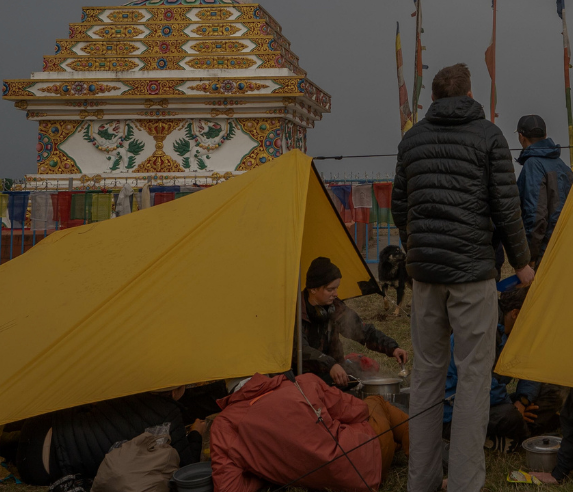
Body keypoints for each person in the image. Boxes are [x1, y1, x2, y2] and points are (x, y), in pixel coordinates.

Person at [392, 63, 533, 492]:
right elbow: (506, 209)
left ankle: (422, 481)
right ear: (469, 94)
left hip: (425, 276)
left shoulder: (412, 139)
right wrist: (522, 263)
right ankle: (465, 484)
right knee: (473, 377)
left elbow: (400, 206)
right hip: (473, 272)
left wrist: (417, 246)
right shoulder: (490, 137)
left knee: (427, 374)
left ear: (433, 98)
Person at [208, 372, 412, 492]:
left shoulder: (223, 425)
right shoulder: (303, 382)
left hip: (333, 484)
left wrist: (266, 468)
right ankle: (419, 454)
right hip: (369, 457)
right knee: (375, 403)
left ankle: (400, 444)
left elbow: (229, 488)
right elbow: (359, 411)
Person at [444, 286, 562, 447]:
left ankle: (510, 435)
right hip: (457, 411)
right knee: (509, 415)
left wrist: (522, 401)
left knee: (552, 392)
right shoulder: (482, 332)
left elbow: (531, 369)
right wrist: (513, 409)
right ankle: (519, 437)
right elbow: (482, 386)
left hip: (492, 403)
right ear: (515, 314)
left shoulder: (515, 332)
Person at [13, 392, 199, 486]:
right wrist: (196, 433)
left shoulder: (121, 389)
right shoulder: (169, 412)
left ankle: (8, 442)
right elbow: (187, 470)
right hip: (45, 470)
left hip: (36, 428)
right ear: (176, 390)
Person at [296, 256, 407, 387]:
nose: (336, 294)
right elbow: (300, 351)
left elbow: (362, 331)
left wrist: (392, 348)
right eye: (330, 289)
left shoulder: (335, 307)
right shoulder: (297, 313)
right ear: (313, 289)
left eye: (336, 288)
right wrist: (331, 365)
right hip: (304, 379)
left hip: (336, 372)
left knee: (365, 378)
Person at [515, 115, 573, 264]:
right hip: (566, 249)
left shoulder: (532, 165)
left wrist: (528, 257)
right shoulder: (564, 166)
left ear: (521, 137)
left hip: (544, 255)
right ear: (545, 135)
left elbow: (536, 216)